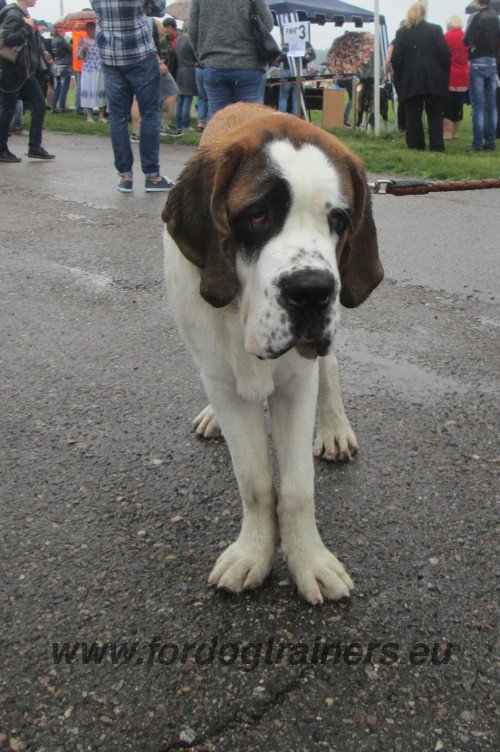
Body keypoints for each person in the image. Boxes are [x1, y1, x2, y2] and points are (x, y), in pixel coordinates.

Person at [89, 0, 174, 192]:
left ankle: (125, 176)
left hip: (111, 56)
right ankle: (152, 176)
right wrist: (146, 7)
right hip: (140, 54)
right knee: (150, 114)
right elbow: (160, 10)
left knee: (117, 116)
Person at [188, 0, 275, 120]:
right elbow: (268, 23)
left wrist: (202, 57)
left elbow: (192, 29)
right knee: (250, 122)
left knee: (218, 121)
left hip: (213, 63)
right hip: (249, 63)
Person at [0, 0, 55, 162]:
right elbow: (8, 40)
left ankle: (34, 147)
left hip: (23, 71)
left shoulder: (22, 14)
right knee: (8, 108)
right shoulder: (14, 14)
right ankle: (2, 149)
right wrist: (27, 27)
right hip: (13, 69)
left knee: (38, 105)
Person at [392, 2, 450, 152]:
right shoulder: (436, 30)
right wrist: (442, 72)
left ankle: (415, 145)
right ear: (424, 14)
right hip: (434, 79)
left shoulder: (402, 33)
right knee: (435, 114)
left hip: (411, 80)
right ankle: (437, 146)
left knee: (413, 115)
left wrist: (401, 74)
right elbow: (445, 54)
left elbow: (396, 59)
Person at [463, 0, 499, 151]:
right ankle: (490, 141)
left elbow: (466, 40)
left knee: (478, 105)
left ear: (477, 2)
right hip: (492, 61)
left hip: (477, 61)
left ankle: (477, 143)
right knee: (491, 105)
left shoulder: (475, 17)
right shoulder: (496, 17)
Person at [443, 16, 469, 140]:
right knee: (458, 105)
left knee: (447, 105)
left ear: (449, 24)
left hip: (449, 74)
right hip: (464, 75)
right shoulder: (466, 36)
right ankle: (455, 133)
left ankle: (447, 133)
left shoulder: (446, 37)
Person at [77, 21, 106, 123]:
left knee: (101, 91)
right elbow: (79, 57)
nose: (91, 31)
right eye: (89, 29)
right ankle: (89, 116)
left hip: (100, 68)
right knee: (88, 90)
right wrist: (82, 50)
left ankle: (101, 116)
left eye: (93, 28)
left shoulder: (101, 41)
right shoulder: (83, 41)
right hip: (88, 69)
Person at [278, 42, 316, 117]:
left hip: (286, 70)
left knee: (283, 97)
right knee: (297, 97)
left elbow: (279, 57)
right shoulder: (304, 41)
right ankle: (296, 120)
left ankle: (280, 120)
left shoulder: (287, 40)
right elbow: (313, 56)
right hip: (301, 70)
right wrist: (304, 61)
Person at [174, 25, 197, 132]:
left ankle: (178, 123)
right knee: (187, 98)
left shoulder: (179, 40)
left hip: (180, 70)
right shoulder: (190, 41)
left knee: (180, 99)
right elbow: (196, 56)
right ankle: (185, 125)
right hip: (189, 70)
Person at [50, 26, 72, 113]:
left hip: (56, 65)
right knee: (65, 87)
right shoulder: (61, 40)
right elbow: (71, 48)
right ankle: (62, 107)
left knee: (57, 87)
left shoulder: (53, 41)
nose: (65, 32)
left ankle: (53, 107)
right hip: (64, 65)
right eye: (63, 31)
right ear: (59, 31)